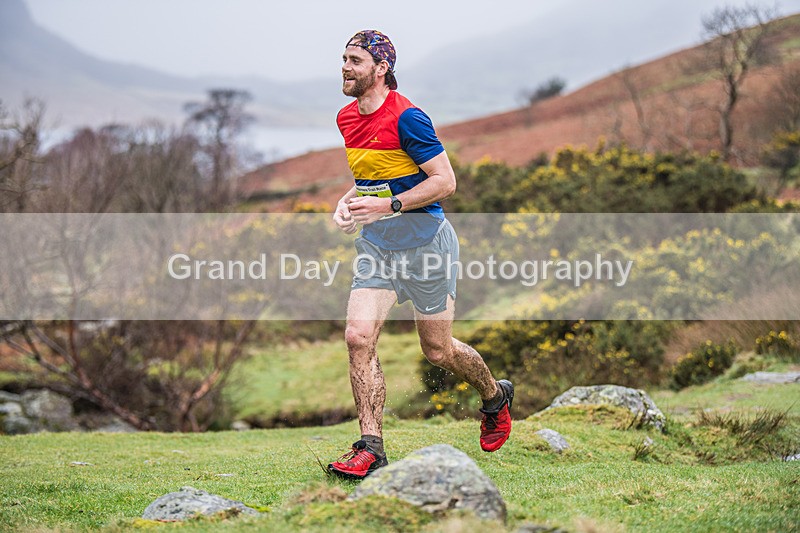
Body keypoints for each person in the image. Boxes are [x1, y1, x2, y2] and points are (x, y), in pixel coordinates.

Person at [328, 30, 513, 480]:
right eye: (344, 59)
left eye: (355, 60)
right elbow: (374, 174)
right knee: (357, 336)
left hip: (427, 245)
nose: (345, 68)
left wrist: (387, 205)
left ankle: (494, 395)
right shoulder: (346, 117)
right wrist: (349, 201)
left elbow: (444, 181)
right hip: (378, 247)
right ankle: (370, 447)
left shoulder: (408, 117)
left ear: (381, 68)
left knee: (438, 351)